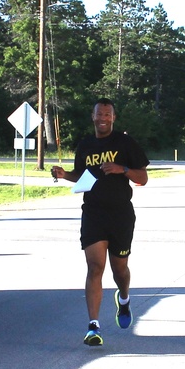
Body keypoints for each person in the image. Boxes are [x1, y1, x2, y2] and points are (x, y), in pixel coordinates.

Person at [51, 98, 149, 347]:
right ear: (93, 117)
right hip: (93, 213)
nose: (103, 117)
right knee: (95, 268)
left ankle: (124, 298)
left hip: (121, 215)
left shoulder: (124, 143)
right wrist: (65, 176)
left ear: (113, 118)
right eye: (99, 113)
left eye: (108, 114)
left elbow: (143, 178)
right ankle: (93, 326)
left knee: (120, 271)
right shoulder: (85, 145)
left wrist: (122, 169)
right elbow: (81, 177)